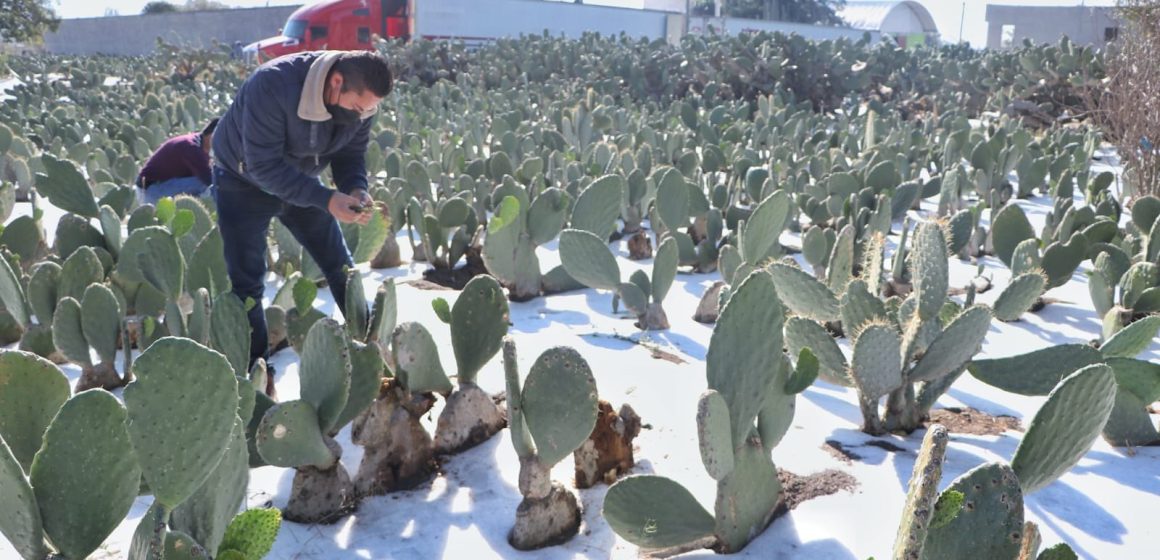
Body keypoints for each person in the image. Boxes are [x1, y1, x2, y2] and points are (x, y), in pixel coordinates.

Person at [211, 50, 392, 392]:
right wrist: (325, 199)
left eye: (368, 111)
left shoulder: (362, 104)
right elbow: (262, 166)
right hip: (242, 181)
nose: (361, 118)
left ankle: (373, 360)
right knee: (247, 282)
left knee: (340, 267)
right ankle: (259, 381)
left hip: (302, 179)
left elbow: (350, 154)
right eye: (357, 109)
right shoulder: (274, 85)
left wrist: (356, 188)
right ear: (336, 82)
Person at [135, 118, 218, 205]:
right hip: (150, 191)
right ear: (212, 135)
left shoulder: (199, 142)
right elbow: (210, 180)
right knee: (207, 184)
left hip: (159, 186)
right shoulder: (191, 147)